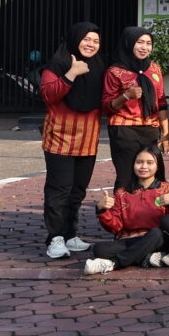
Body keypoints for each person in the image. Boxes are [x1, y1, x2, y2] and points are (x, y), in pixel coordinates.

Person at [40, 22, 106, 260]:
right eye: (86, 39)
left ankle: (69, 234)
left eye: (96, 41)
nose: (91, 44)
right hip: (60, 139)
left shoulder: (99, 67)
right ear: (74, 39)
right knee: (59, 190)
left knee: (77, 191)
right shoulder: (57, 65)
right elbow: (48, 95)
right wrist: (72, 73)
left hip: (88, 139)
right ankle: (55, 238)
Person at [81, 148, 169, 275]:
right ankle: (147, 257)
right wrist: (102, 210)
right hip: (130, 240)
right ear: (133, 165)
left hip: (157, 239)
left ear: (158, 166)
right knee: (99, 249)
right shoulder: (122, 193)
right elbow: (115, 227)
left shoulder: (168, 189)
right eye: (139, 162)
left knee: (156, 233)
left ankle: (113, 263)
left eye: (149, 163)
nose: (143, 166)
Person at [103, 26, 168, 190]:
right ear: (129, 43)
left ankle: (150, 206)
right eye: (139, 42)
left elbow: (161, 101)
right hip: (124, 129)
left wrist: (166, 133)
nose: (144, 47)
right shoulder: (115, 71)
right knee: (126, 176)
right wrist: (126, 96)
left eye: (148, 43)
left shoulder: (154, 68)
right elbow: (107, 106)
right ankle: (122, 206)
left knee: (153, 175)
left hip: (150, 128)